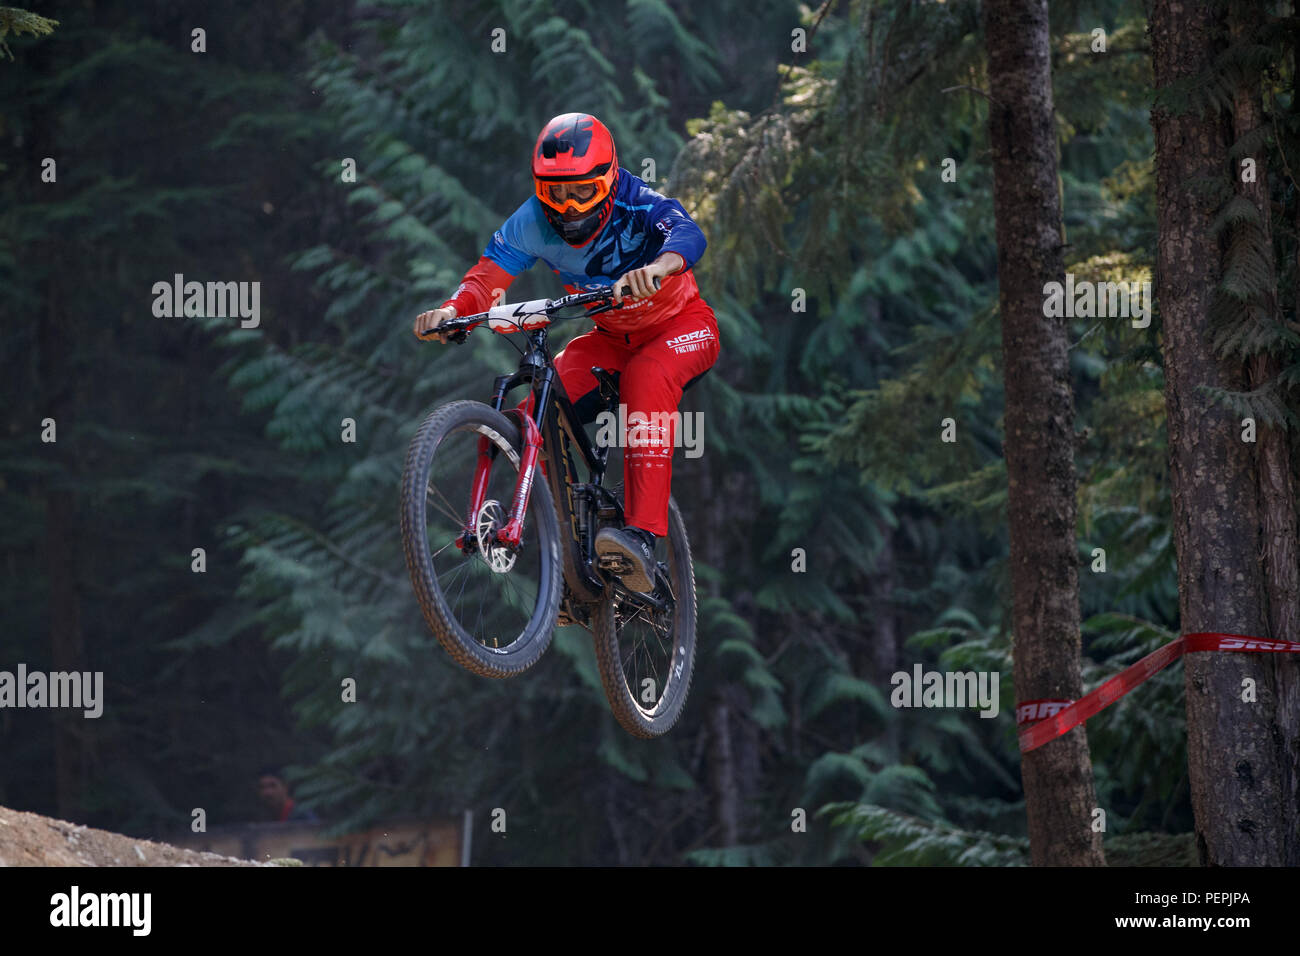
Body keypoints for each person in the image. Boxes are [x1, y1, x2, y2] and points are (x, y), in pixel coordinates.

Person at [414, 112, 720, 593]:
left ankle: (641, 535)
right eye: (554, 193)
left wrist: (659, 267)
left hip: (681, 328)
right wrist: (452, 312)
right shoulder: (532, 221)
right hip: (607, 341)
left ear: (608, 178)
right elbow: (485, 279)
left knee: (647, 378)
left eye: (581, 191)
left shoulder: (636, 200)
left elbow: (689, 234)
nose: (568, 206)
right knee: (529, 419)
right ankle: (566, 564)